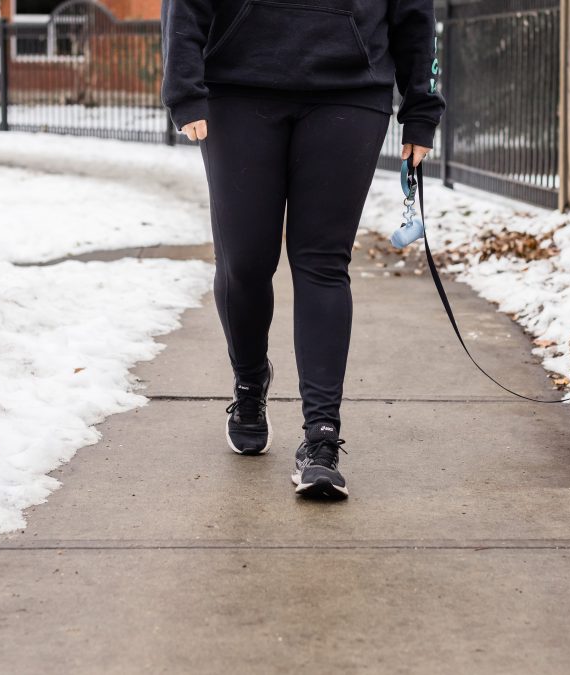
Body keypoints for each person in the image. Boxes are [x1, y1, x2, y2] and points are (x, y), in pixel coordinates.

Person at [161, 0, 445, 499]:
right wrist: (184, 87)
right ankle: (250, 383)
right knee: (246, 260)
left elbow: (415, 9)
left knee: (323, 263)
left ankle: (321, 439)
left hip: (351, 90)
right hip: (238, 87)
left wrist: (420, 106)